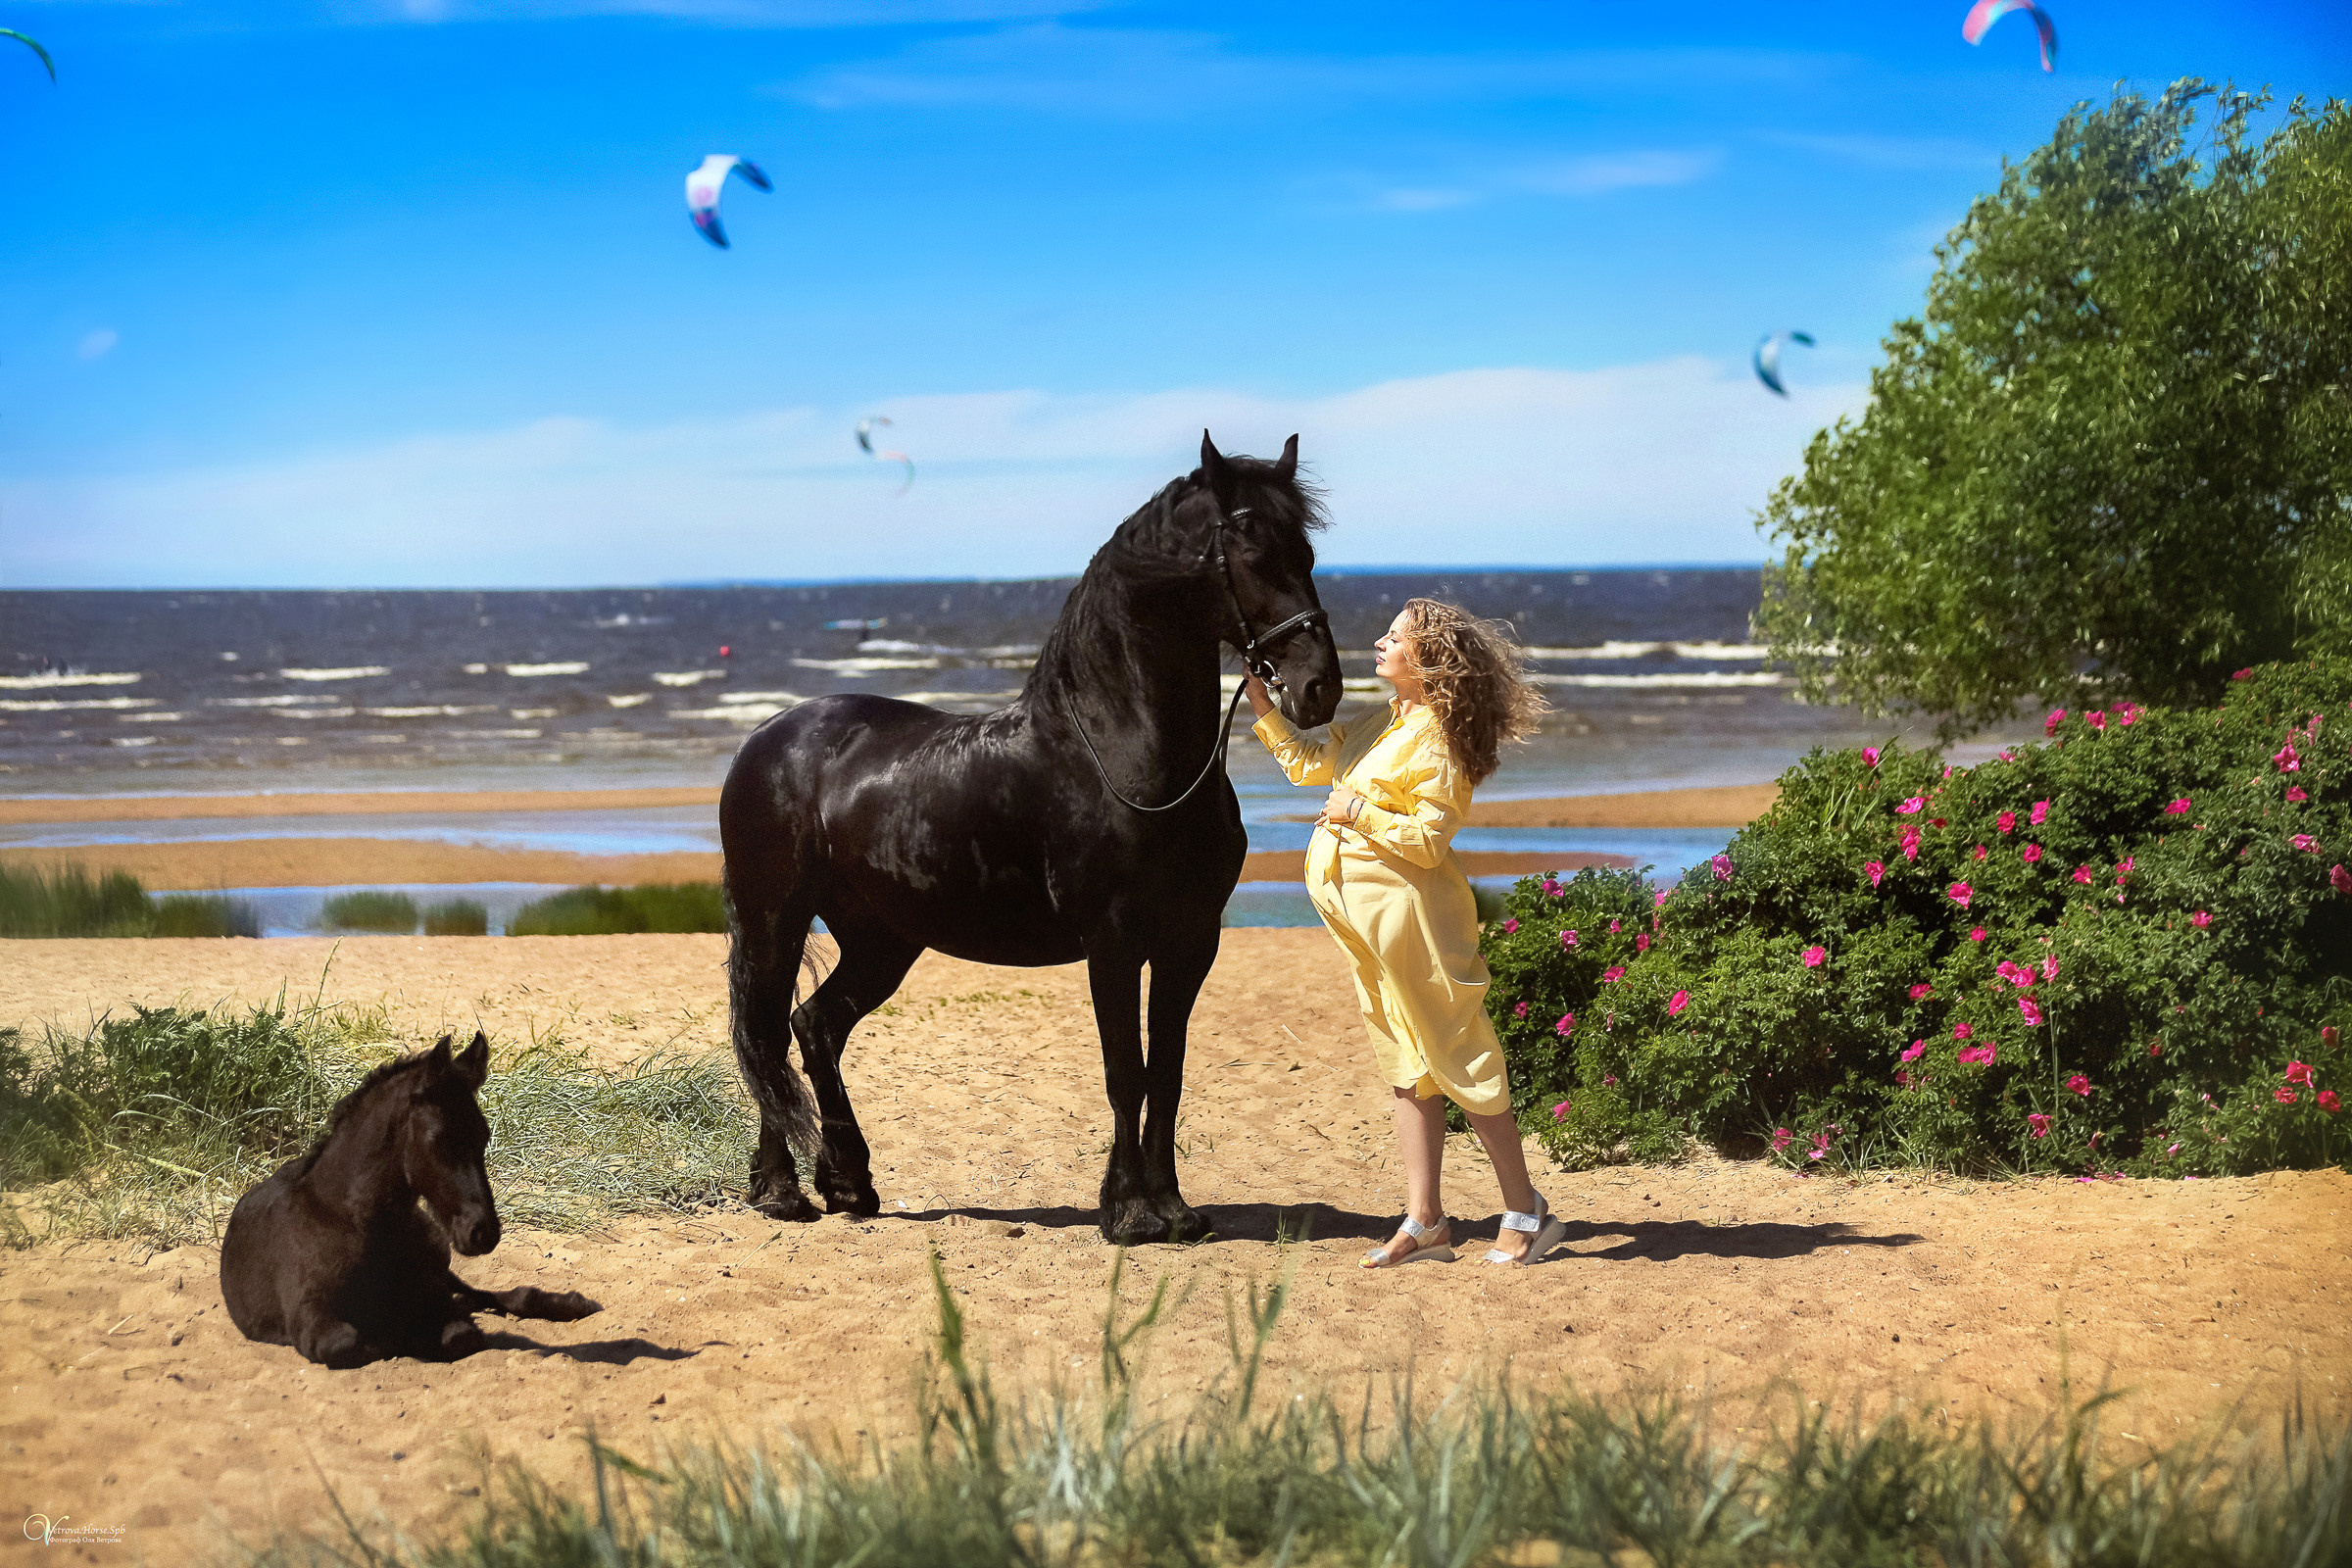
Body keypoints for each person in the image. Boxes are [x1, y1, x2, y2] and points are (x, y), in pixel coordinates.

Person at [1245, 597, 1564, 1268]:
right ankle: (1426, 1222)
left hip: (1417, 924)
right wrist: (1259, 699)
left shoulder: (1443, 738)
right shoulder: (1375, 726)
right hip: (1367, 933)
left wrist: (1357, 809)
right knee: (1407, 1067)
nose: (1379, 641)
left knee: (1460, 1055)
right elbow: (1307, 762)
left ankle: (1527, 1210)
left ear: (1429, 659)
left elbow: (1427, 840)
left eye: (1395, 636)